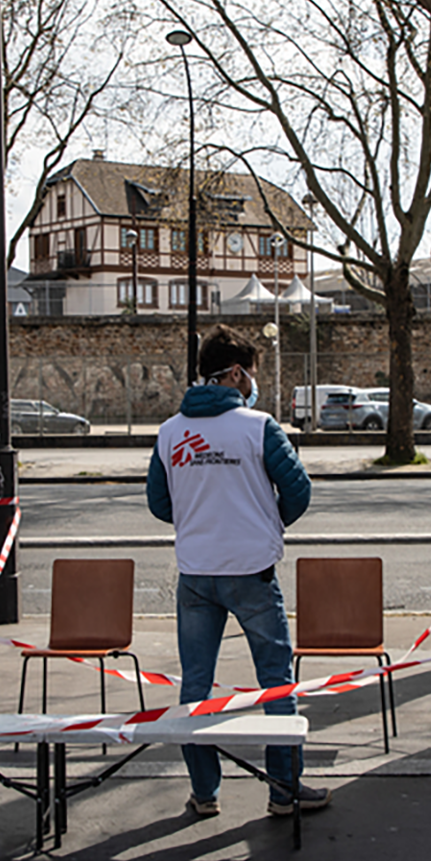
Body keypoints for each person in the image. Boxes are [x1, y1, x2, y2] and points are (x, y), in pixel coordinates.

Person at [146, 325, 325, 820]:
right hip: (252, 571)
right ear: (238, 373)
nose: (253, 384)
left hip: (196, 574)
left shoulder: (170, 432)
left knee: (195, 688)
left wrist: (201, 517)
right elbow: (299, 492)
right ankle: (283, 790)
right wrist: (264, 522)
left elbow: (159, 504)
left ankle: (205, 793)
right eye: (251, 374)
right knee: (275, 682)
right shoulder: (258, 426)